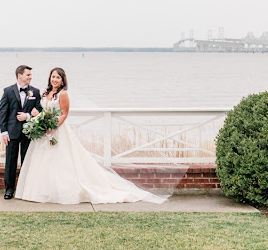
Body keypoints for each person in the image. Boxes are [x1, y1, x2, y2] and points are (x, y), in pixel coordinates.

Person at [15, 67, 166, 204]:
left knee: (62, 161)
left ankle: (65, 191)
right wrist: (38, 118)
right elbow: (43, 111)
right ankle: (43, 191)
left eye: (58, 78)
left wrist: (53, 128)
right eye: (53, 77)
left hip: (58, 131)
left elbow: (64, 114)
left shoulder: (63, 94)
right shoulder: (45, 93)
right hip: (44, 132)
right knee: (43, 161)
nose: (54, 79)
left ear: (62, 80)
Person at [0, 65, 42, 200]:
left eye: (30, 75)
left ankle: (24, 189)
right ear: (19, 75)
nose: (30, 77)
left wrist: (28, 116)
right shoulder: (8, 91)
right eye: (28, 75)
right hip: (12, 132)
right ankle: (9, 189)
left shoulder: (35, 91)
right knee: (10, 162)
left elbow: (39, 110)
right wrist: (4, 132)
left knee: (26, 161)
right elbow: (3, 113)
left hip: (29, 132)